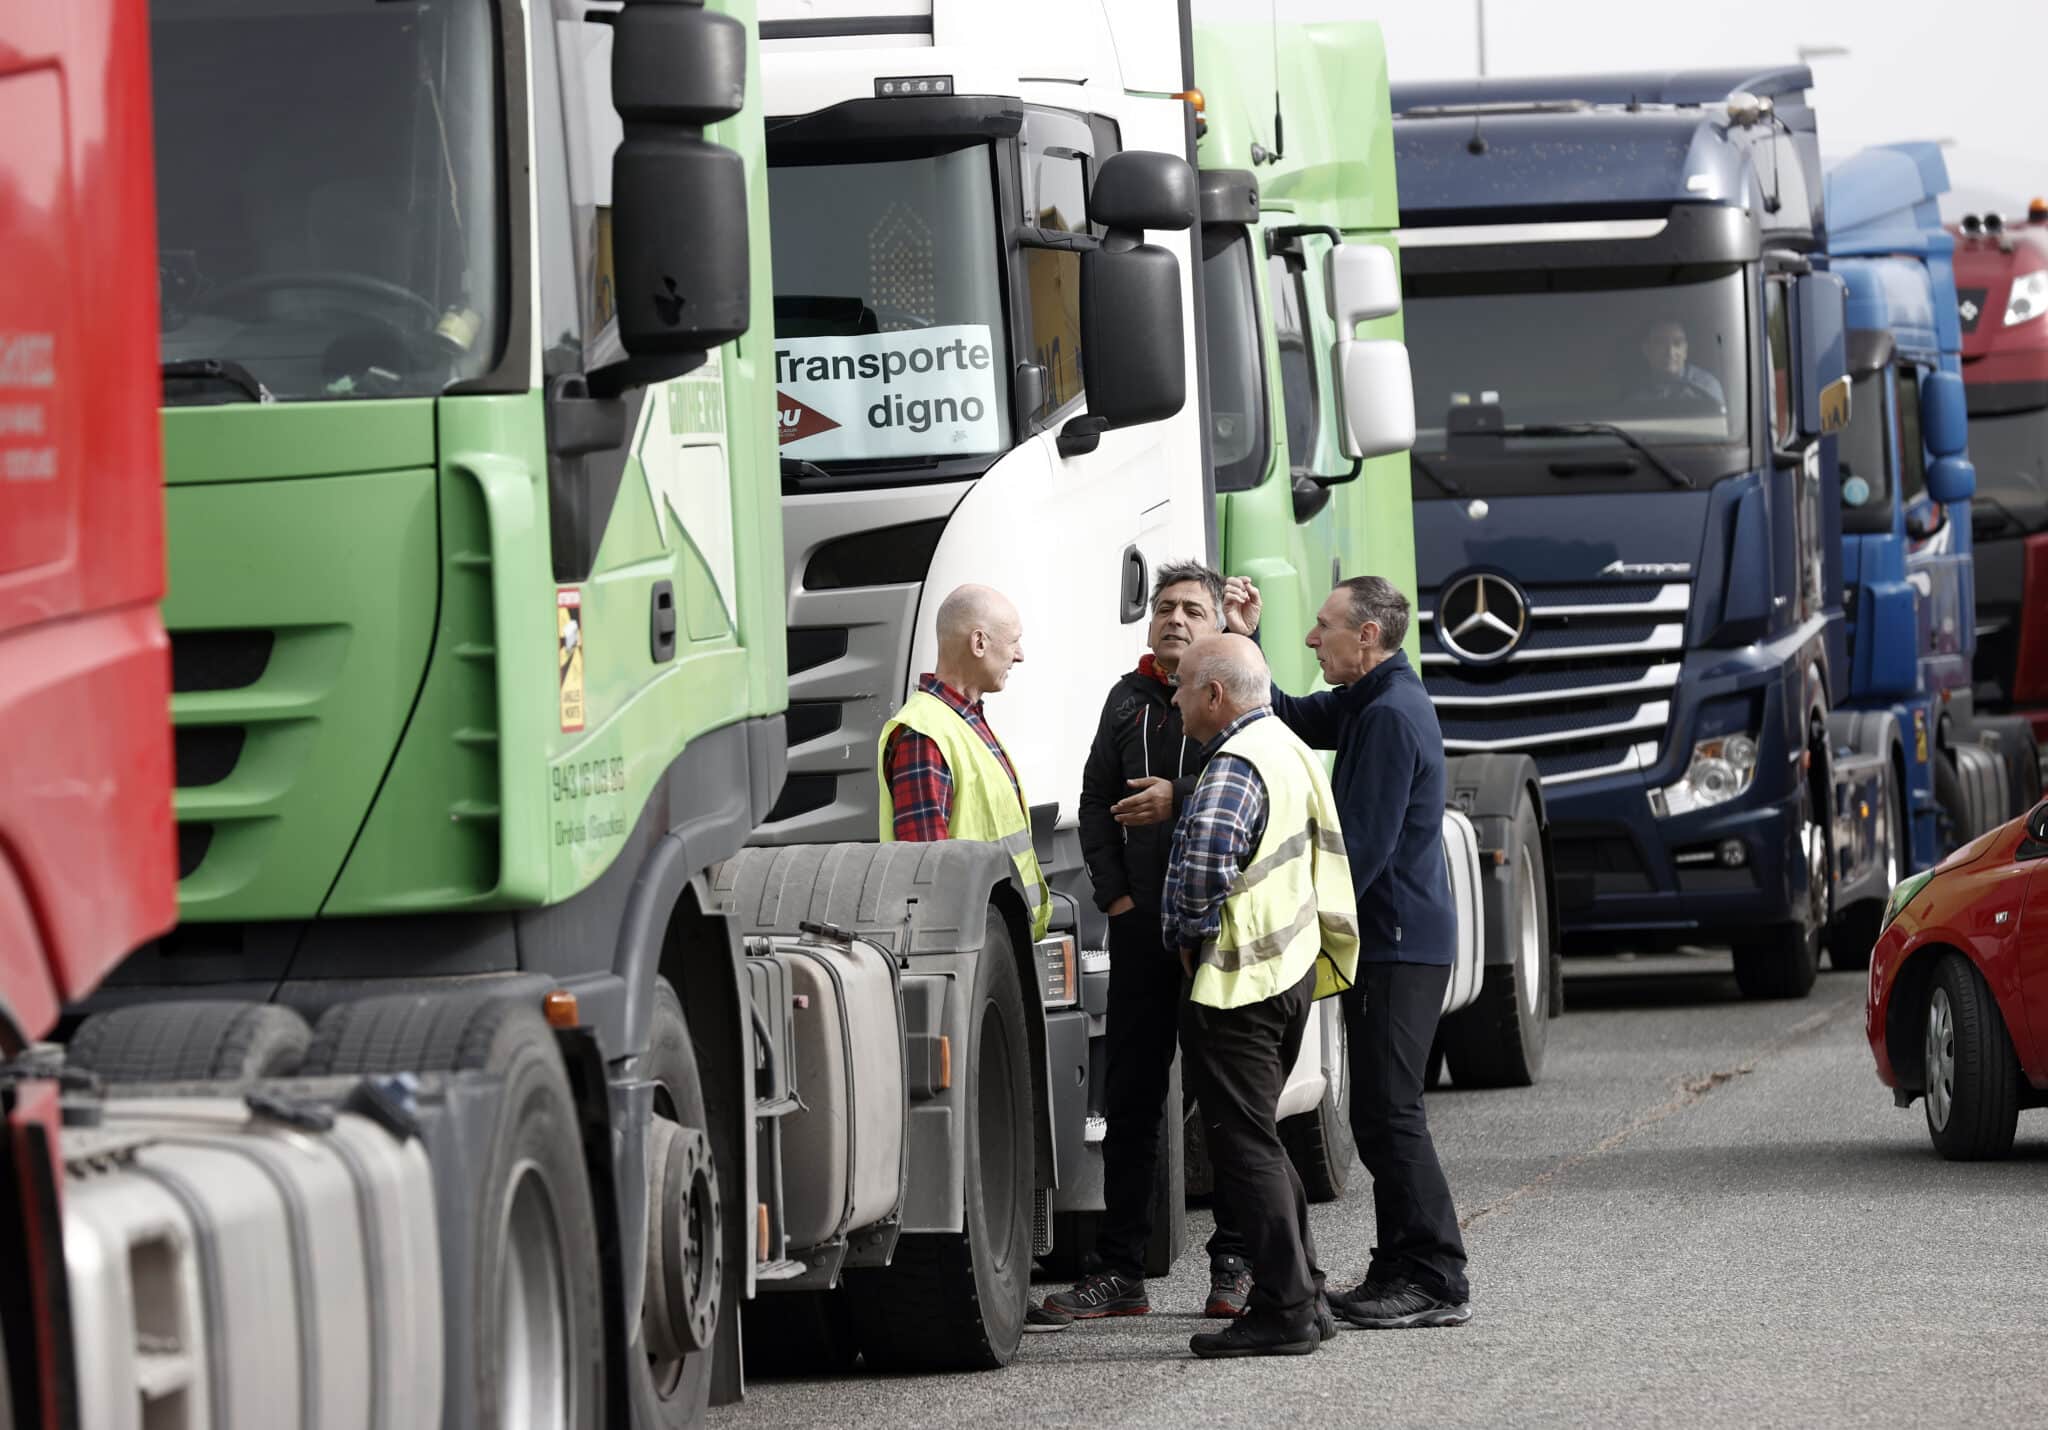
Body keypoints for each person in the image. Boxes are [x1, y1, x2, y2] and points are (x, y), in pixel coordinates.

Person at [1225, 574, 1475, 1330]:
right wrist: (1247, 638)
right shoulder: (1373, 701)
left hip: (1399, 943)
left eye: (1323, 627)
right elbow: (1289, 715)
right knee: (1377, 1112)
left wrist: (1287, 925)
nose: (1312, 639)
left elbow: (1359, 852)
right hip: (1395, 942)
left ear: (1367, 635)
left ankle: (1434, 1274)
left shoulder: (1392, 716)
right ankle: (1403, 1266)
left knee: (1391, 1113)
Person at [1040, 562, 1254, 1325]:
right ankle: (1119, 1272)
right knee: (1131, 1102)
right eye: (1164, 607)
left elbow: (1262, 777)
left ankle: (1236, 1265)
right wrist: (1117, 897)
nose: (1173, 619)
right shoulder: (1127, 700)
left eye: (1193, 609)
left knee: (1229, 1101)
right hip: (1140, 934)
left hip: (1218, 938)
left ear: (1218, 627)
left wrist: (1181, 797)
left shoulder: (1232, 697)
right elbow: (1095, 800)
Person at [1166, 633, 1358, 1359]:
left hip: (1237, 981)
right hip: (1290, 970)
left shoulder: (1233, 765)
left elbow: (1203, 867)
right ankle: (1304, 1293)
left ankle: (1283, 1309)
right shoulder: (1288, 747)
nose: (1177, 697)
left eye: (1184, 686)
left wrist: (1184, 933)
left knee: (1243, 1147)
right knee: (1263, 1141)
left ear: (1216, 694)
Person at [877, 583, 1050, 940]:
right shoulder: (925, 733)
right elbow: (927, 874)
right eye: (1013, 641)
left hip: (993, 942)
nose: (1020, 655)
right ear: (979, 643)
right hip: (967, 947)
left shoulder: (961, 722)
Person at [1631, 317, 1726, 408]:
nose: (1670, 352)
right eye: (1660, 343)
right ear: (1646, 349)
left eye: (1677, 343)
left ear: (1685, 350)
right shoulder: (1634, 393)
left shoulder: (1706, 387)